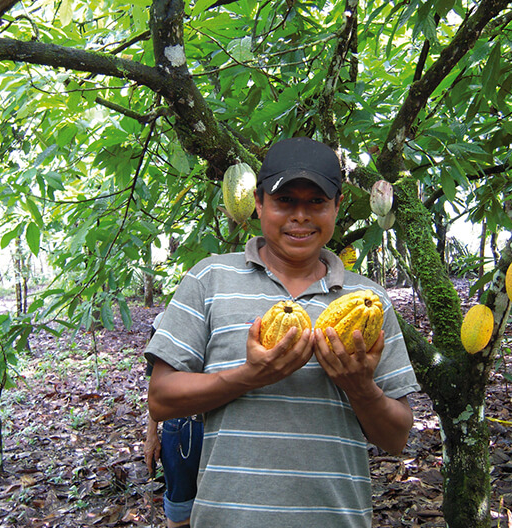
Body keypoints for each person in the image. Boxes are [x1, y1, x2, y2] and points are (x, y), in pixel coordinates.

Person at [145, 137, 420, 527]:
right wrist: (249, 377)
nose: (300, 216)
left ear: (338, 206)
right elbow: (161, 400)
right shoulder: (209, 279)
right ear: (258, 203)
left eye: (316, 202)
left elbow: (396, 438)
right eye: (285, 201)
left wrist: (360, 388)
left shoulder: (368, 300)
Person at [144, 313, 203, 528]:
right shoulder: (163, 321)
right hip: (180, 425)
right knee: (180, 510)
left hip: (220, 422)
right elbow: (156, 387)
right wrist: (151, 435)